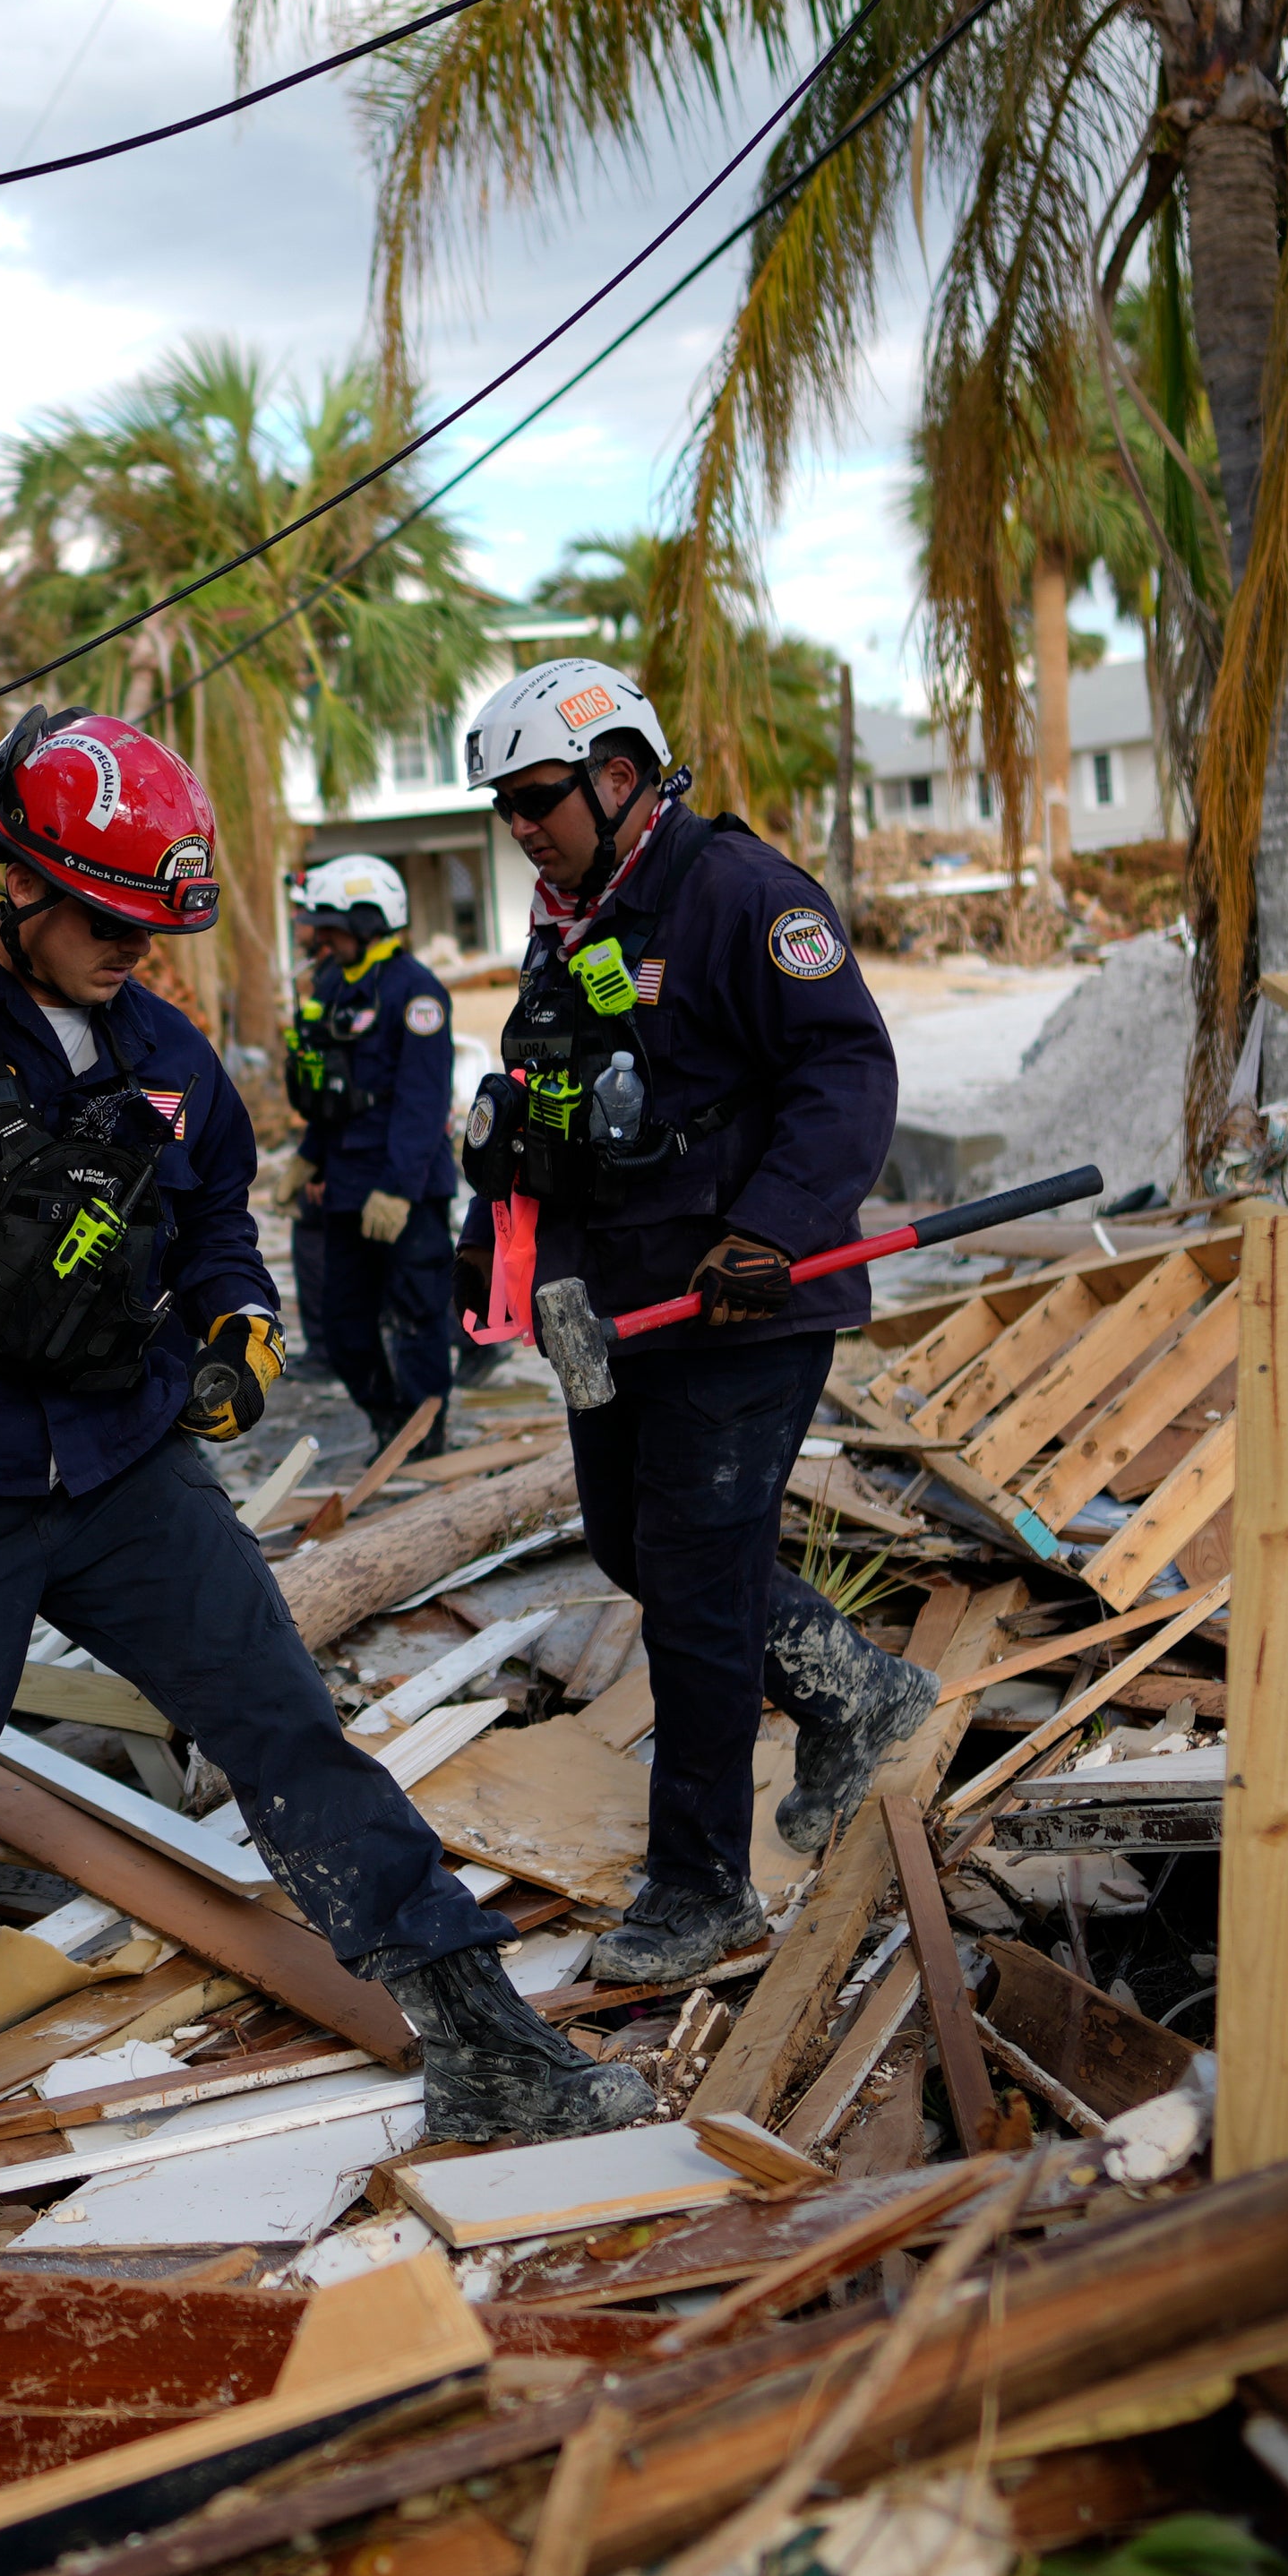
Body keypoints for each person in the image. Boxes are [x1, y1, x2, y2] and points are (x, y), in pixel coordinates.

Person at [0, 710, 650, 2161]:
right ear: (25, 883)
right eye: (109, 920)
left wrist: (240, 1323)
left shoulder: (167, 1046)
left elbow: (216, 1231)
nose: (131, 949)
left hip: (119, 1462)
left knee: (287, 1727)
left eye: (151, 924)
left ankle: (483, 2036)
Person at [451, 658, 933, 1990]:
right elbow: (548, 1107)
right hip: (627, 1307)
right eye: (505, 806)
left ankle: (700, 1886)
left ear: (617, 773)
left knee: (700, 1587)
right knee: (631, 1544)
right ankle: (852, 1689)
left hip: (748, 1302)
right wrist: (491, 1251)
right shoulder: (572, 920)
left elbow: (846, 1069)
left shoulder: (740, 894)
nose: (521, 826)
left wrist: (771, 1229)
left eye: (537, 796)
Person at [280, 854, 459, 1459]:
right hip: (350, 1185)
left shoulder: (417, 992)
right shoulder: (333, 986)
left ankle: (425, 1435)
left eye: (328, 925)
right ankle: (388, 1420)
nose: (318, 937)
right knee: (344, 1325)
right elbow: (332, 1091)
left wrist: (400, 1189)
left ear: (367, 921)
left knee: (417, 1317)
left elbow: (422, 1099)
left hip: (406, 1188)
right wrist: (309, 1156)